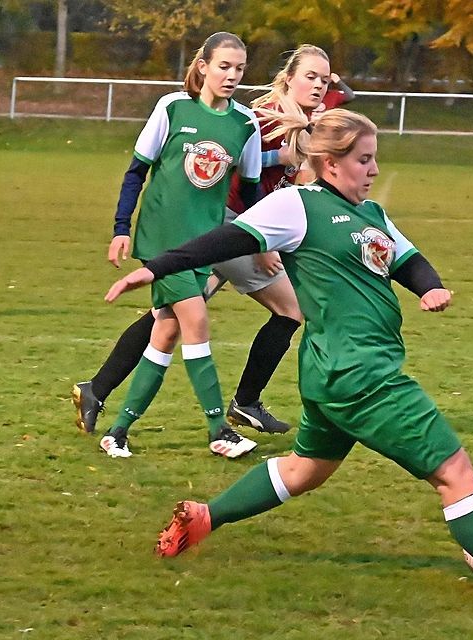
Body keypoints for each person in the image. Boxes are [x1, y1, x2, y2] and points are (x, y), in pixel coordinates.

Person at [104, 109, 473, 608]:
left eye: (375, 158)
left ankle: (205, 516)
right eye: (364, 159)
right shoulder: (297, 206)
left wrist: (431, 287)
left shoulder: (372, 215)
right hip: (362, 374)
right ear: (330, 164)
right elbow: (222, 241)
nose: (374, 170)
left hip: (335, 371)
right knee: (455, 473)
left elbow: (408, 259)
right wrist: (156, 269)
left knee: (304, 470)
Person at [73, 45, 337, 440]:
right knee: (289, 309)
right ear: (288, 78)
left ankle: (98, 389)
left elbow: (293, 182)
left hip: (231, 228)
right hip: (231, 227)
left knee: (168, 318)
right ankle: (238, 409)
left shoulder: (303, 122)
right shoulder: (263, 118)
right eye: (311, 76)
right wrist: (263, 230)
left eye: (324, 79)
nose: (318, 84)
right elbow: (237, 168)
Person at [88, 32, 264, 459]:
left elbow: (255, 190)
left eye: (239, 68)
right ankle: (218, 428)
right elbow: (136, 172)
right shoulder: (172, 107)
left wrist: (264, 240)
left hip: (203, 245)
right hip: (160, 240)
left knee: (165, 333)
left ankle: (119, 431)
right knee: (196, 321)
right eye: (223, 66)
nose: (232, 76)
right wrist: (120, 228)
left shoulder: (246, 124)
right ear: (203, 66)